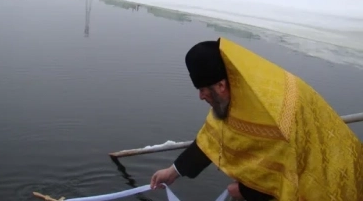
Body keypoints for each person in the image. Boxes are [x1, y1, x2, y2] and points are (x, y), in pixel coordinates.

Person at [150, 37, 363, 201]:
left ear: (221, 86)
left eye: (203, 90)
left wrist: (244, 191)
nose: (201, 97)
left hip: (325, 175)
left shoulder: (270, 112)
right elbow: (214, 138)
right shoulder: (234, 93)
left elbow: (285, 171)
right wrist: (173, 171)